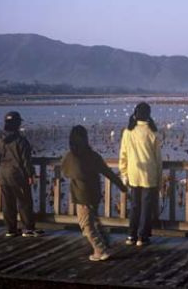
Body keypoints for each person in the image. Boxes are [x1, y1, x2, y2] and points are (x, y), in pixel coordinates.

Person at [61, 125, 127, 261]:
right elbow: (107, 172)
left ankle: (100, 250)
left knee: (86, 225)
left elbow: (66, 172)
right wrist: (121, 186)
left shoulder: (71, 157)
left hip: (81, 196)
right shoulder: (93, 156)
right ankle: (106, 243)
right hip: (94, 194)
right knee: (94, 220)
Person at [118, 102, 162, 246]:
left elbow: (123, 155)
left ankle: (131, 235)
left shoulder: (128, 132)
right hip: (149, 175)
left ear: (135, 114)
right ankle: (142, 237)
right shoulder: (152, 132)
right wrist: (159, 178)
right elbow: (158, 159)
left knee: (135, 206)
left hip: (133, 174)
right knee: (146, 207)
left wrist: (123, 173)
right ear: (148, 114)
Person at [0, 111, 43, 237]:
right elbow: (26, 160)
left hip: (3, 174)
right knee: (24, 202)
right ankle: (28, 228)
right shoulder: (21, 141)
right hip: (17, 175)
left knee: (8, 203)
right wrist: (30, 175)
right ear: (17, 124)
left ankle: (11, 229)